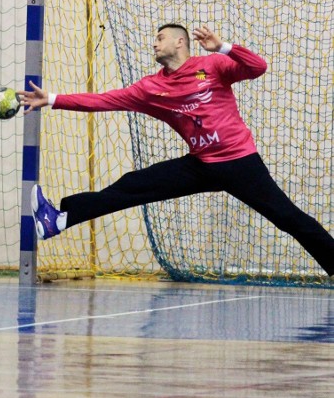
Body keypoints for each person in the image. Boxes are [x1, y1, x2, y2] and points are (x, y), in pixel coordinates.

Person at [21, 23, 334, 277]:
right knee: (134, 184)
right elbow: (104, 100)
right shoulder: (150, 88)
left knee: (288, 217)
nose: (155, 44)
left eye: (161, 38)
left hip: (240, 162)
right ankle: (59, 220)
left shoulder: (212, 66)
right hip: (201, 165)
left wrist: (223, 46)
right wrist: (51, 99)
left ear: (180, 42)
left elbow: (258, 67)